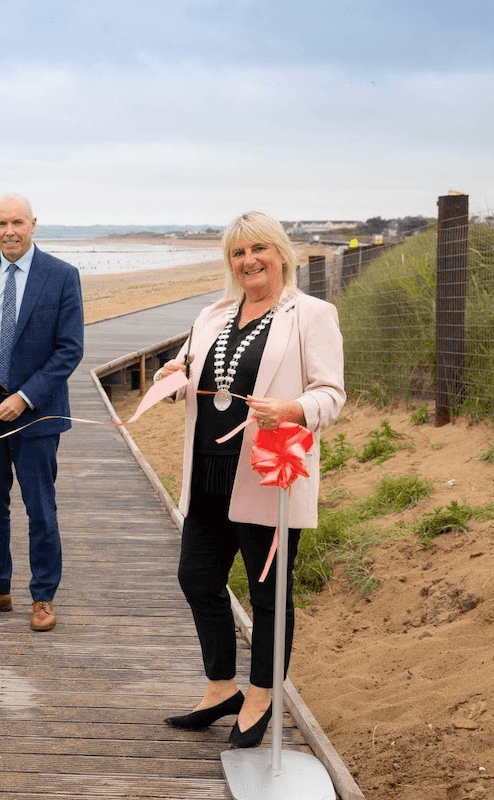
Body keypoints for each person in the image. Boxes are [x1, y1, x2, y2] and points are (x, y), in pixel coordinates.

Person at [155, 211, 344, 747]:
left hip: (267, 476)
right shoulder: (213, 314)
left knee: (269, 593)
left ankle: (262, 693)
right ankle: (221, 687)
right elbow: (186, 369)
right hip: (208, 475)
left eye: (259, 248)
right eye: (238, 253)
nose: (248, 260)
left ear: (281, 253)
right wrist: (172, 376)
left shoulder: (312, 314)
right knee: (197, 579)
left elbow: (332, 394)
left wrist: (292, 408)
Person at [0, 193, 84, 632]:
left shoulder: (62, 276)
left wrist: (24, 397)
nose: (10, 231)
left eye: (18, 222)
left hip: (37, 415)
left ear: (33, 224)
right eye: (1, 223)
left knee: (40, 508)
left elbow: (69, 350)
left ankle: (43, 596)